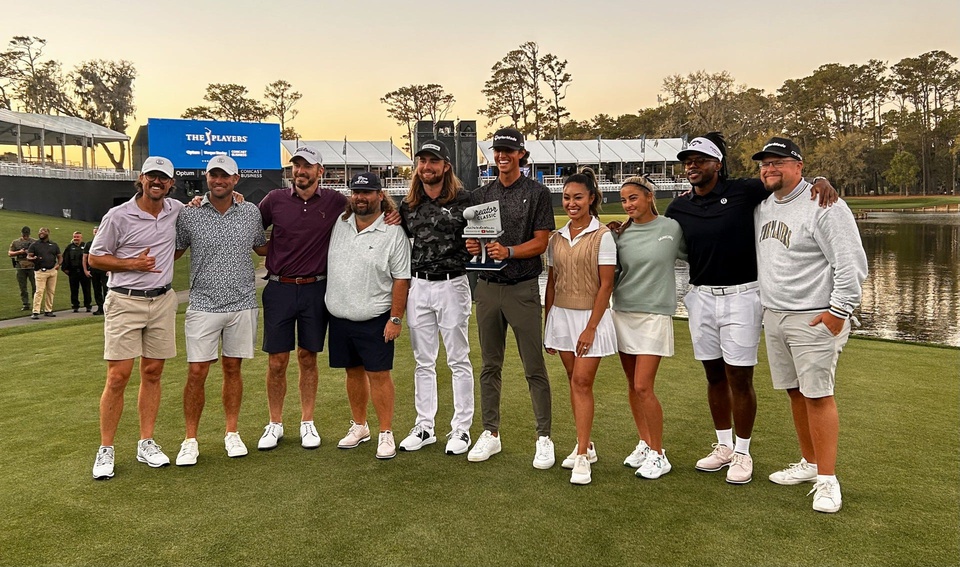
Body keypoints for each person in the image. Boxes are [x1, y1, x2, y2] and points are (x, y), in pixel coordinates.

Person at [664, 132, 836, 484]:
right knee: (713, 375)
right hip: (699, 296)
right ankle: (724, 446)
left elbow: (789, 182)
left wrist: (820, 180)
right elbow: (660, 236)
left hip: (743, 295)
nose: (692, 166)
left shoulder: (746, 190)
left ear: (718, 164)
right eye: (687, 161)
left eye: (700, 159)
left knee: (739, 377)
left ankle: (743, 452)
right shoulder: (678, 206)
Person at [752, 137, 867, 513]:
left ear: (799, 166)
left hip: (814, 315)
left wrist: (839, 311)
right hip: (775, 315)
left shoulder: (825, 204)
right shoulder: (763, 206)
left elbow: (851, 263)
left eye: (778, 162)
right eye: (765, 163)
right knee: (795, 393)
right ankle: (810, 463)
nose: (769, 168)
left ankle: (828, 481)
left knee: (818, 394)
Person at [465, 127, 556, 468]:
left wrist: (510, 251)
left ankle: (543, 437)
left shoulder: (537, 192)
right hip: (488, 288)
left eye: (508, 150)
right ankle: (491, 433)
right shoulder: (481, 194)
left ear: (520, 154)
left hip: (522, 287)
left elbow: (541, 242)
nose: (501, 156)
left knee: (533, 366)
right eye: (497, 150)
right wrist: (473, 247)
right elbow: (475, 243)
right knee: (490, 365)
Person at [88, 156, 182, 479]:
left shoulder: (177, 211)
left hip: (162, 300)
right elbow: (95, 259)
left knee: (153, 372)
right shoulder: (118, 216)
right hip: (125, 300)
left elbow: (204, 208)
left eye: (163, 178)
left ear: (171, 183)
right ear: (141, 179)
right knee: (118, 376)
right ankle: (106, 448)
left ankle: (146, 442)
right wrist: (132, 264)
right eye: (151, 176)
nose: (157, 182)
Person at [173, 155, 268, 466]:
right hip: (202, 304)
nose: (219, 180)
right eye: (214, 175)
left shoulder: (251, 212)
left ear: (235, 179)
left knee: (233, 369)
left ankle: (232, 432)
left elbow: (261, 247)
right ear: (207, 177)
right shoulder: (190, 214)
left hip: (242, 302)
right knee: (197, 371)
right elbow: (173, 251)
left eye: (225, 176)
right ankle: (190, 440)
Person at [256, 146, 346, 451]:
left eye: (307, 166)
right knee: (277, 360)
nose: (300, 171)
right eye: (296, 165)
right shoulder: (275, 200)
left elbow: (366, 209)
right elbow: (251, 228)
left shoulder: (335, 201)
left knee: (308, 358)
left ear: (320, 171)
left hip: (316, 289)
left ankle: (307, 422)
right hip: (280, 288)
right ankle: (275, 423)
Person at [397, 139, 475, 455]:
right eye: (422, 161)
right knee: (423, 360)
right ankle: (425, 426)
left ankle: (461, 430)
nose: (427, 167)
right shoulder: (408, 205)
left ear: (445, 166)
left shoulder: (465, 200)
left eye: (433, 161)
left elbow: (484, 237)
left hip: (453, 284)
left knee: (458, 358)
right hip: (419, 286)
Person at [327, 172, 411, 460]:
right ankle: (360, 426)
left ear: (380, 195)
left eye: (368, 192)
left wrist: (396, 318)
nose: (361, 198)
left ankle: (385, 432)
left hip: (376, 316)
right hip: (340, 315)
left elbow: (401, 279)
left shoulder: (393, 232)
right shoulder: (340, 223)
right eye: (356, 192)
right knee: (352, 372)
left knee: (378, 374)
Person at [543, 168, 616, 485]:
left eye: (578, 198)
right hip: (561, 317)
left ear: (591, 199)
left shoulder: (604, 237)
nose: (571, 203)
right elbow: (552, 282)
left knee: (582, 383)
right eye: (567, 197)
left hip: (591, 320)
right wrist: (547, 323)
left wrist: (590, 328)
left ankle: (583, 456)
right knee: (574, 382)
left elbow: (606, 286)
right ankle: (586, 444)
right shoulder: (555, 238)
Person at [612, 176, 687, 480]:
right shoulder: (620, 234)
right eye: (624, 200)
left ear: (648, 196)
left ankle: (659, 453)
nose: (629, 205)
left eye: (633, 198)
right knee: (632, 384)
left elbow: (697, 254)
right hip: (623, 312)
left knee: (644, 385)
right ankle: (644, 442)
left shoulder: (671, 228)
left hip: (655, 315)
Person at [26, 227, 62, 320]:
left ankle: (48, 310)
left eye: (44, 231)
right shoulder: (34, 245)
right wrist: (32, 259)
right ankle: (35, 311)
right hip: (40, 271)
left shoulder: (54, 245)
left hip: (52, 270)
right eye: (40, 231)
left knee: (51, 291)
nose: (41, 232)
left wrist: (59, 264)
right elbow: (28, 256)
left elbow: (59, 256)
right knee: (39, 291)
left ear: (48, 233)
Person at [62, 231, 93, 313]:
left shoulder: (85, 246)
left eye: (77, 237)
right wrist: (65, 269)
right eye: (75, 237)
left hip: (84, 272)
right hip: (73, 272)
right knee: (74, 290)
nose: (76, 238)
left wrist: (89, 269)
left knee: (86, 289)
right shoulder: (69, 247)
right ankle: (75, 306)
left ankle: (88, 305)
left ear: (81, 238)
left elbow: (89, 258)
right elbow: (65, 258)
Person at [83, 226, 109, 316]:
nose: (96, 233)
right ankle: (100, 307)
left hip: (104, 269)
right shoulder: (89, 244)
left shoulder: (106, 242)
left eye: (98, 231)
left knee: (106, 289)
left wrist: (110, 269)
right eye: (95, 232)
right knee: (96, 289)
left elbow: (111, 255)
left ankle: (107, 308)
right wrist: (85, 270)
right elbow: (85, 257)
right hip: (94, 269)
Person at [9, 226, 36, 311]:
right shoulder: (16, 242)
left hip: (32, 265)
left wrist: (30, 253)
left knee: (35, 286)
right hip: (20, 265)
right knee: (22, 286)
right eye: (24, 234)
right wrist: (19, 252)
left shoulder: (34, 242)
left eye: (27, 234)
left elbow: (39, 253)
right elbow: (10, 253)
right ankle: (25, 303)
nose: (25, 236)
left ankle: (36, 304)